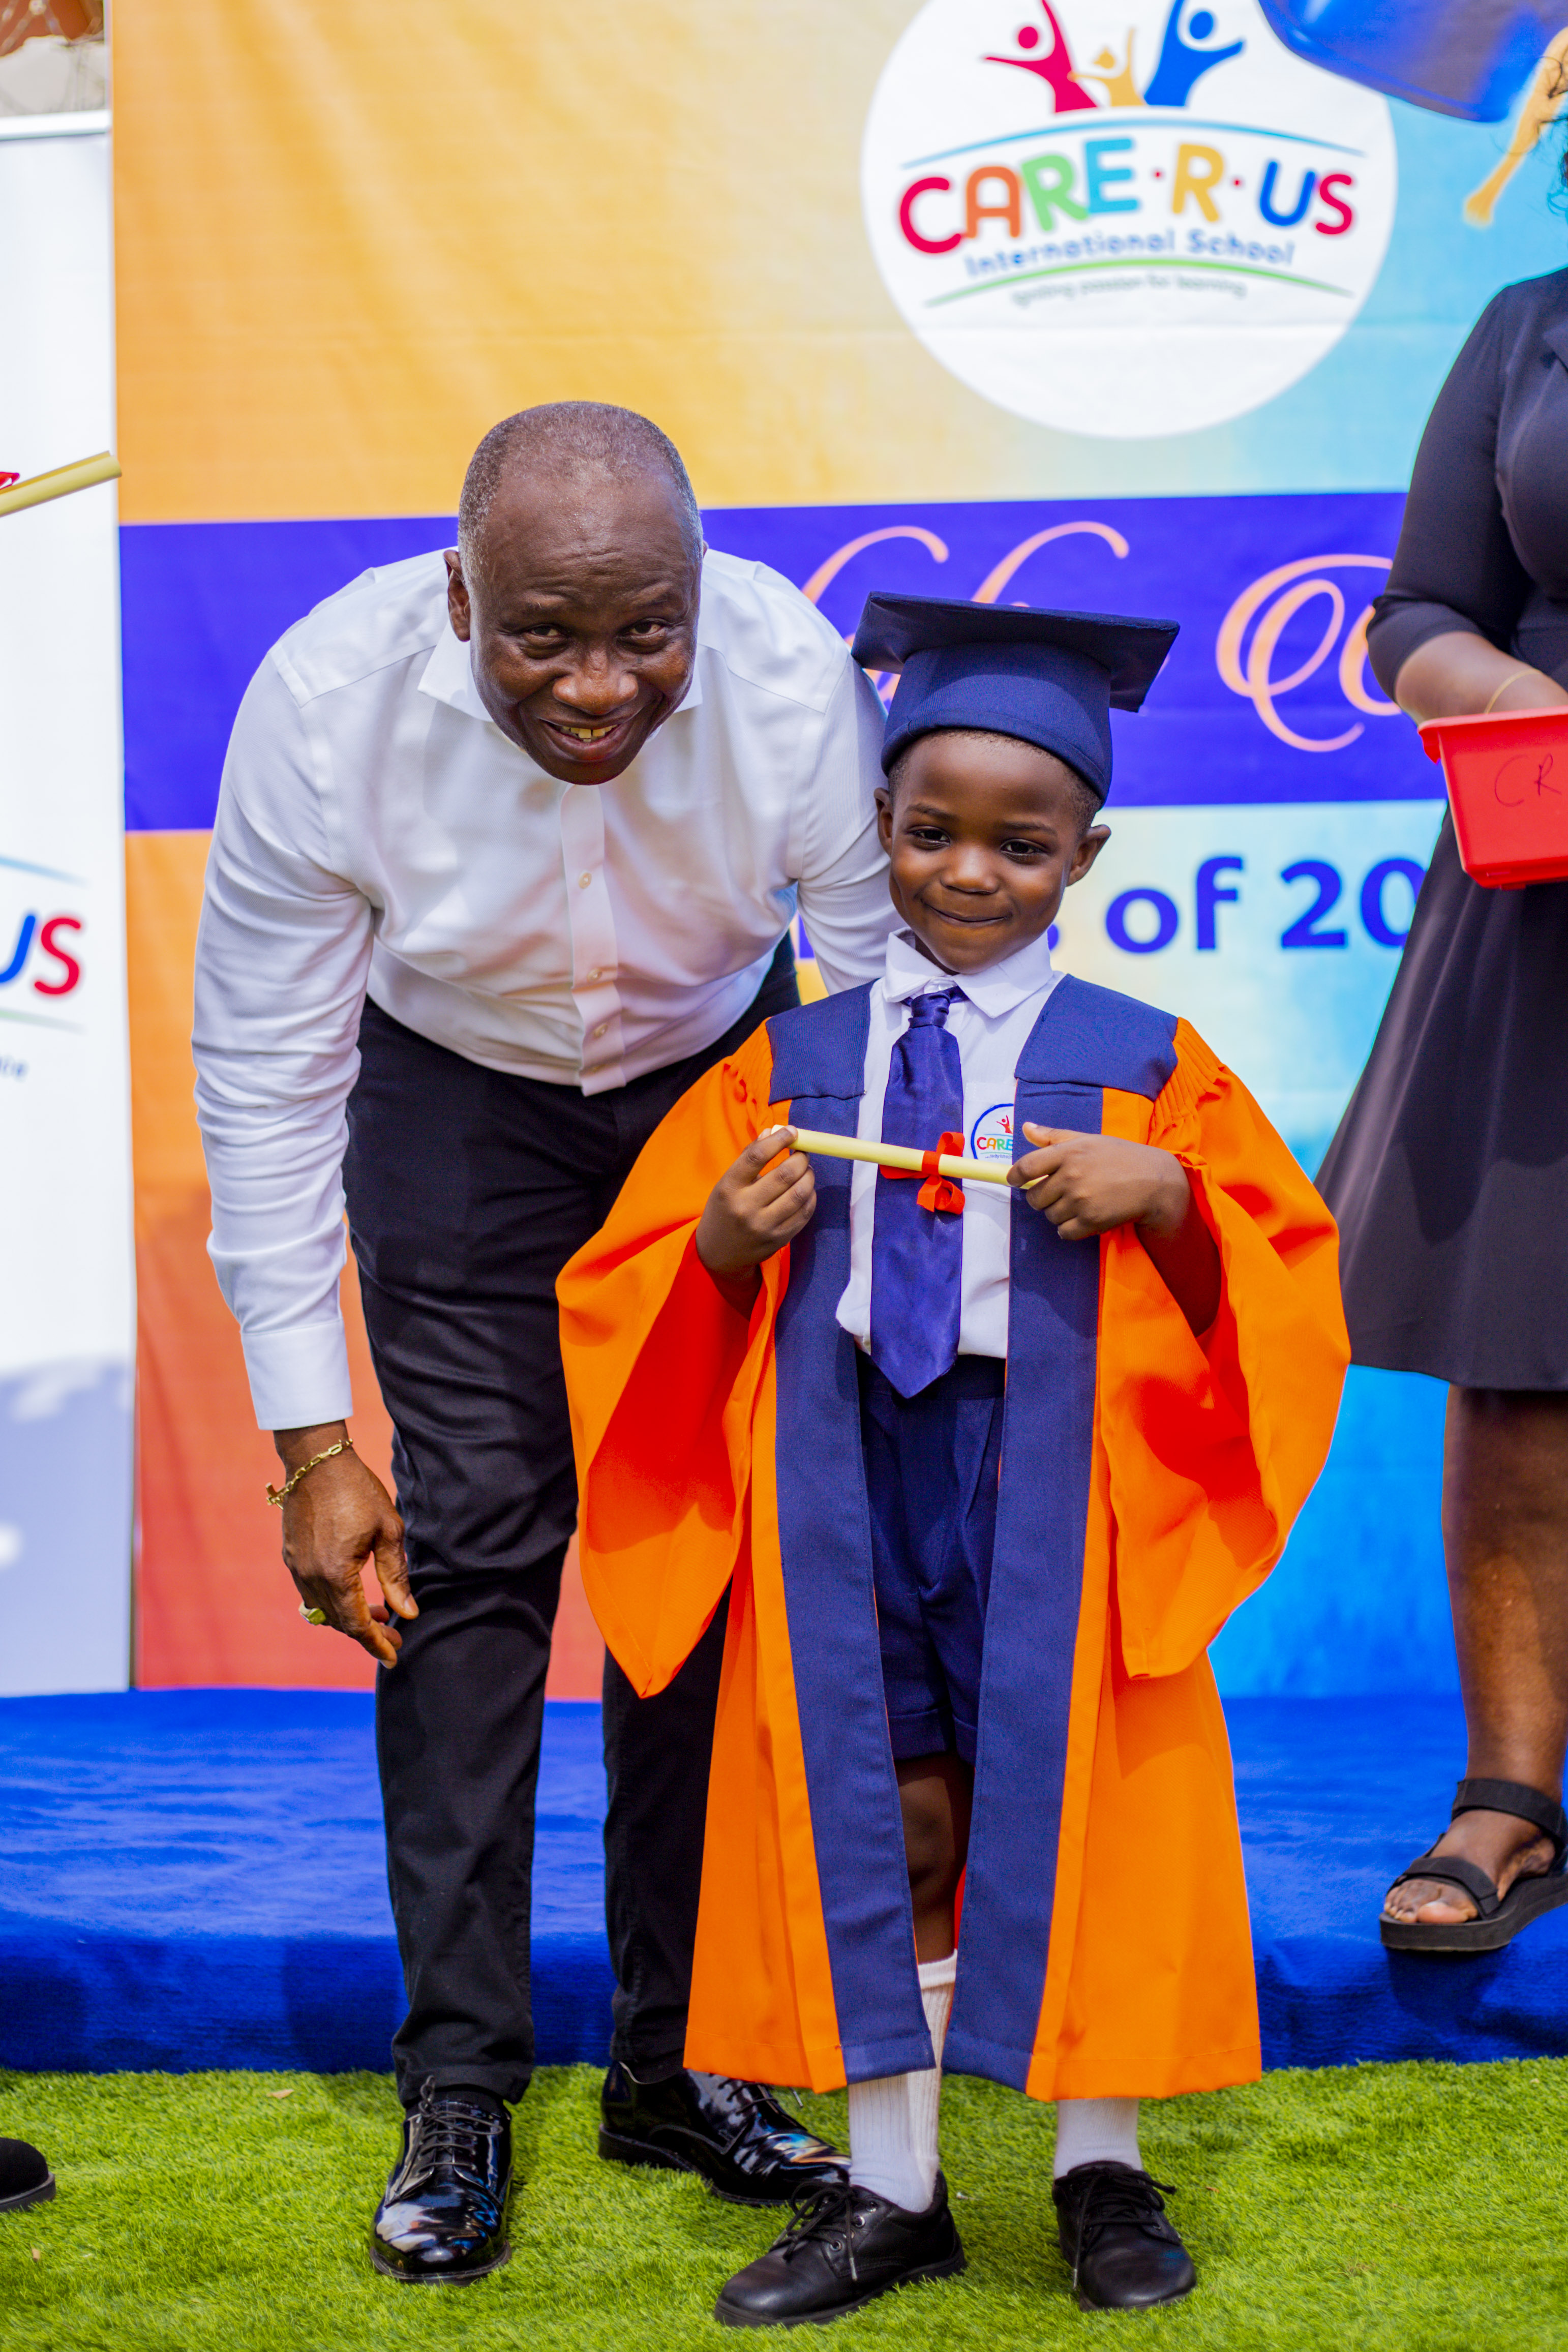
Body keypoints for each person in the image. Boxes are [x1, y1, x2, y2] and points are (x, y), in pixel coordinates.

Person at [558, 595, 1348, 2324]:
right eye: (930, 833)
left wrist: (1172, 1197)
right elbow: (631, 1279)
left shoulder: (1143, 1062)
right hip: (850, 1472)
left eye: (1019, 842)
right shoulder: (788, 1060)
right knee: (892, 1808)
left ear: (1085, 853)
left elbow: (1285, 1281)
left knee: (1077, 1812)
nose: (969, 871)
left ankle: (1096, 2166)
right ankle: (892, 2186)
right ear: (879, 830)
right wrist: (721, 1241)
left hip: (1060, 1475)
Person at [192, 403, 897, 2281]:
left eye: (646, 632)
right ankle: (460, 2080)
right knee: (478, 1560)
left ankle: (679, 2059)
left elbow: (877, 997)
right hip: (453, 1097)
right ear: (457, 599)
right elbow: (266, 1069)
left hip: (713, 1090)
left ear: (700, 596)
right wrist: (308, 1440)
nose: (600, 688)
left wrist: (870, 1293)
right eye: (543, 638)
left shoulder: (786, 678)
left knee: (695, 1565)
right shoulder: (324, 701)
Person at [1317, 267, 1568, 1953]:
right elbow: (1415, 613)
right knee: (1524, 1339)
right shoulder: (1529, 325)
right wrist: (1512, 700)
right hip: (1545, 866)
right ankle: (1513, 1795)